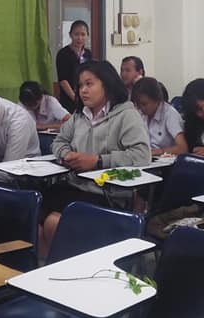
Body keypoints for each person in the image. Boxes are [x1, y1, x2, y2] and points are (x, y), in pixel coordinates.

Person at [44, 60, 151, 253]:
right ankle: (42, 266)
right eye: (80, 85)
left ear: (107, 84)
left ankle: (65, 264)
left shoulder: (126, 114)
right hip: (75, 185)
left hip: (106, 193)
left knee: (54, 222)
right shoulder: (79, 115)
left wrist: (98, 161)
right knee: (32, 211)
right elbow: (58, 142)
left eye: (89, 84)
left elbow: (142, 155)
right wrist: (67, 154)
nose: (83, 90)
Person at [131, 77, 187, 156]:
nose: (141, 108)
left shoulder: (170, 114)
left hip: (166, 160)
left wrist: (161, 151)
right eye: (138, 104)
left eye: (144, 104)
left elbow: (183, 148)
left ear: (157, 100)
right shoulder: (141, 113)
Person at [55, 20, 93, 113]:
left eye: (83, 34)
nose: (79, 38)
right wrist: (76, 99)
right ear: (70, 35)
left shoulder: (88, 54)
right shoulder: (63, 54)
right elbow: (63, 80)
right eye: (76, 34)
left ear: (87, 35)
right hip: (69, 100)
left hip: (85, 97)